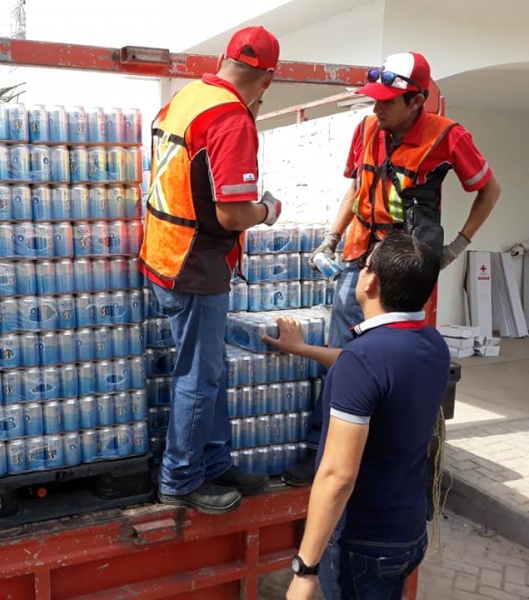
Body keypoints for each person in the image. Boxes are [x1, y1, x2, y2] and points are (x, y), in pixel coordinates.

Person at [283, 51, 501, 487]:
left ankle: (381, 452)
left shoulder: (448, 137)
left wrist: (458, 245)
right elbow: (356, 185)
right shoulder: (367, 128)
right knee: (342, 358)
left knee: (392, 356)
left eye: (387, 101)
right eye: (374, 100)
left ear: (417, 101)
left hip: (404, 262)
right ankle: (323, 450)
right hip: (360, 252)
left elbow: (489, 189)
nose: (377, 108)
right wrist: (332, 237)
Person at [138, 25, 283, 514]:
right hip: (195, 264)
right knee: (198, 377)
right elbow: (230, 215)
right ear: (266, 79)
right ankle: (180, 479)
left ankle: (215, 462)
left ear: (224, 61)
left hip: (163, 252)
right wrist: (268, 209)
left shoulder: (188, 97)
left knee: (208, 370)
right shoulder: (231, 120)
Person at [263, 231, 450, 599]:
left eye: (364, 266)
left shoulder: (365, 360)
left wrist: (305, 569)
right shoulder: (433, 344)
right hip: (407, 531)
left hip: (363, 542)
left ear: (371, 281)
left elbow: (338, 476)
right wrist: (303, 349)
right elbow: (373, 370)